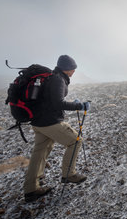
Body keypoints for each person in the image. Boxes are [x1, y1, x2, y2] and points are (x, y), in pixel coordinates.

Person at [23, 55, 91, 202]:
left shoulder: (52, 77)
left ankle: (31, 189)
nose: (74, 71)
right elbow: (58, 103)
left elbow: (52, 100)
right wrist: (79, 105)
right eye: (73, 68)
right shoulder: (58, 79)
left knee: (39, 152)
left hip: (38, 122)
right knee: (75, 141)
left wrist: (73, 103)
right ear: (67, 69)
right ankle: (69, 174)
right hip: (50, 122)